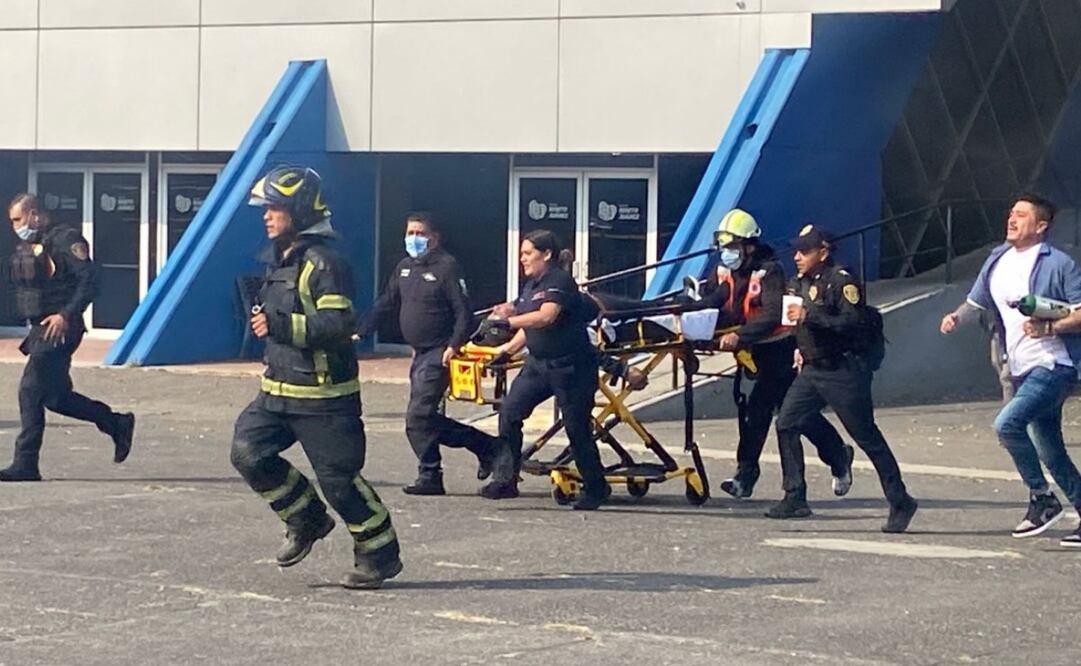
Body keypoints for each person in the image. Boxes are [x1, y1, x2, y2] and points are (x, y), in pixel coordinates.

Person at [230, 166, 403, 588]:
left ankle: (379, 554)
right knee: (248, 452)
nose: (266, 216)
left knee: (340, 483)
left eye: (275, 208)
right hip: (277, 392)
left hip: (324, 396)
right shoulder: (280, 260)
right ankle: (307, 520)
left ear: (300, 210)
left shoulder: (325, 262)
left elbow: (338, 324)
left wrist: (280, 325)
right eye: (265, 208)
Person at [941, 194, 1081, 547]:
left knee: (1007, 424)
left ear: (1041, 225)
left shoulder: (1059, 263)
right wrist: (956, 317)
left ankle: (1042, 498)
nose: (1012, 220)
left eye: (1021, 215)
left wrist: (1050, 328)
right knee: (1049, 447)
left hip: (1054, 364)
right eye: (1011, 214)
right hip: (1016, 365)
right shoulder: (997, 260)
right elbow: (976, 301)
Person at [770, 225, 918, 533]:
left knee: (867, 437)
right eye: (796, 251)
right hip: (812, 368)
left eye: (804, 251)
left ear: (823, 252)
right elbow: (793, 322)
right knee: (786, 422)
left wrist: (811, 318)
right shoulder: (798, 282)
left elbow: (853, 323)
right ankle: (794, 495)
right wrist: (799, 345)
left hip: (843, 371)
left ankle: (900, 499)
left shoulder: (841, 281)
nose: (797, 257)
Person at [704, 209, 854, 499]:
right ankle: (747, 475)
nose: (728, 253)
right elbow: (716, 301)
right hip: (755, 353)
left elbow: (772, 315)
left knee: (789, 416)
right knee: (765, 414)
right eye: (725, 247)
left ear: (749, 246)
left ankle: (836, 455)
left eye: (733, 247)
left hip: (779, 353)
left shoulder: (770, 271)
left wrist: (739, 335)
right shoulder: (727, 272)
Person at [359, 212, 500, 496]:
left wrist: (454, 345)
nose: (414, 239)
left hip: (439, 353)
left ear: (434, 238)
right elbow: (386, 303)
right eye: (410, 233)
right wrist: (361, 330)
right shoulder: (404, 268)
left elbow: (463, 312)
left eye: (420, 233)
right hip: (419, 354)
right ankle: (484, 447)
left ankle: (431, 473)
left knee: (418, 417)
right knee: (423, 418)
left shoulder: (446, 267)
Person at [1, 194, 134, 482]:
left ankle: (25, 464)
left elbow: (90, 279)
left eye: (18, 220)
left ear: (35, 215)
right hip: (41, 328)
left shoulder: (64, 239)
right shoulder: (35, 243)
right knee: (56, 397)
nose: (15, 227)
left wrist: (66, 314)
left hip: (61, 327)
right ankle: (116, 422)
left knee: (29, 390)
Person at [477, 230, 610, 510]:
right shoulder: (531, 285)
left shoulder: (559, 281)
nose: (522, 259)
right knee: (510, 413)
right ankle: (506, 480)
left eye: (528, 253)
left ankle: (596, 487)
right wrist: (505, 352)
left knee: (577, 428)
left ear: (546, 254)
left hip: (572, 366)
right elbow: (530, 327)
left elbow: (546, 316)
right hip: (538, 365)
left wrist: (506, 322)